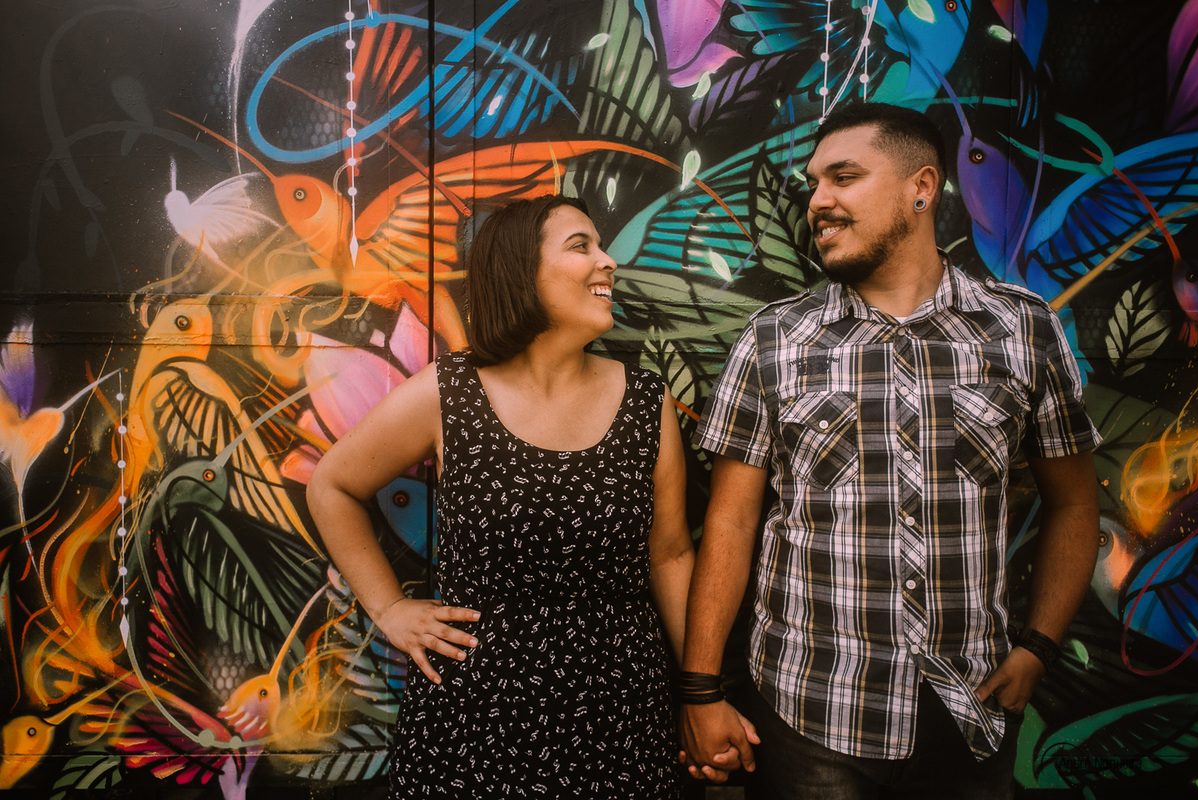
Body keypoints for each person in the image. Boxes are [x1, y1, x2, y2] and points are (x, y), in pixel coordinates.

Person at [678, 102, 1102, 799]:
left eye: (843, 177)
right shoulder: (774, 339)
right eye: (814, 184)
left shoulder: (1022, 331)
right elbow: (730, 519)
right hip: (810, 711)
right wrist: (700, 690)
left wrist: (1038, 647)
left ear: (922, 187)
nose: (819, 201)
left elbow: (1075, 503)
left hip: (970, 712)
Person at [306, 195, 693, 798]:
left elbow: (669, 554)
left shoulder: (647, 401)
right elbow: (331, 485)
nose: (608, 261)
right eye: (581, 246)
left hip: (619, 719)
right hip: (473, 720)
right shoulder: (449, 393)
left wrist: (701, 691)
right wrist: (389, 609)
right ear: (520, 271)